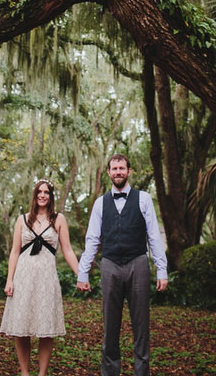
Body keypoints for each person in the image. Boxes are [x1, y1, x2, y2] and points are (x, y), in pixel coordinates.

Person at [77, 153, 168, 376]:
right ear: (108, 172)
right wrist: (83, 272)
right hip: (109, 265)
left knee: (141, 327)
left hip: (138, 264)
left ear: (128, 171)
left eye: (122, 168)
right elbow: (92, 239)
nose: (118, 172)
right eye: (114, 168)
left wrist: (162, 270)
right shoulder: (100, 203)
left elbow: (154, 237)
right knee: (110, 326)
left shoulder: (144, 199)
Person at [0, 179, 78, 376]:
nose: (42, 195)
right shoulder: (22, 220)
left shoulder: (58, 219)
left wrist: (81, 275)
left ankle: (42, 374)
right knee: (21, 328)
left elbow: (67, 250)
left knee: (46, 329)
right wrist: (10, 280)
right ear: (34, 196)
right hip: (23, 278)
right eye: (39, 192)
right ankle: (25, 373)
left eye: (47, 192)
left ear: (51, 196)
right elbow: (15, 252)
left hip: (46, 280)